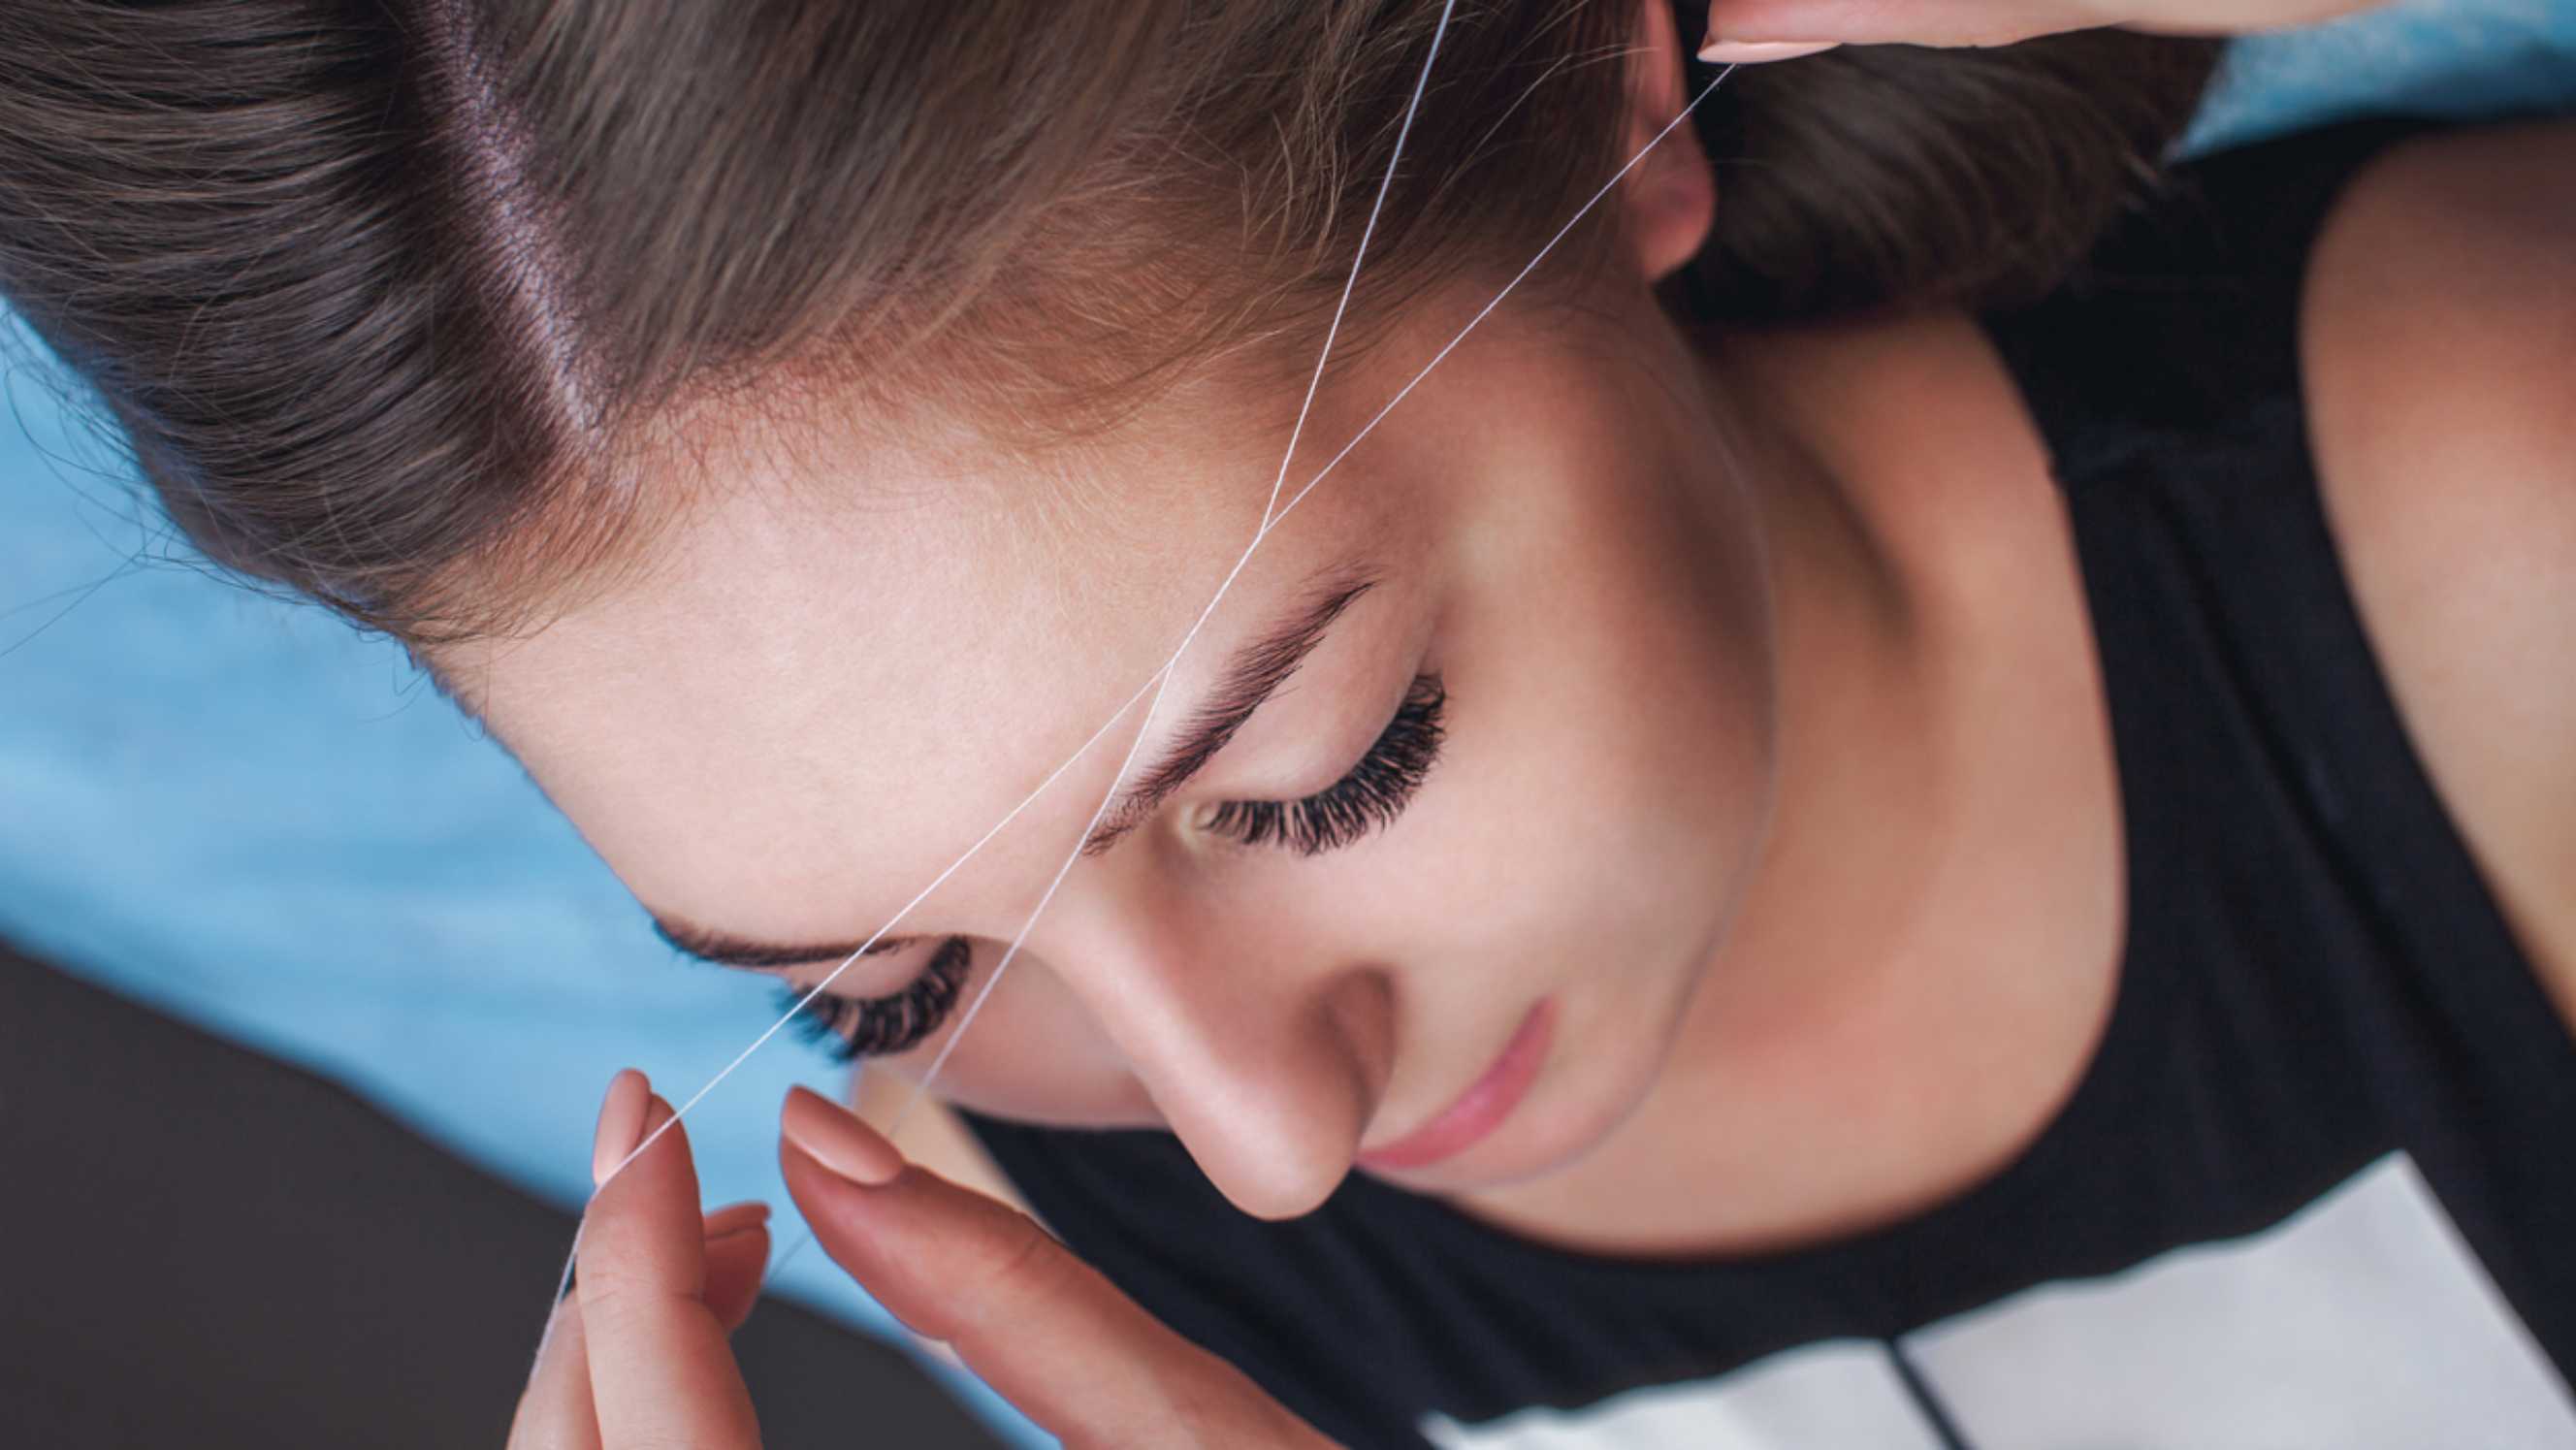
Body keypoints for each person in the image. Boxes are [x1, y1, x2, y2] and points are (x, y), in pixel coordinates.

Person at [3, 0, 2569, 1445]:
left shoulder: (2509, 542)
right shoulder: (1047, 1245)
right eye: (878, 980)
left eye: (1326, 762)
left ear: (1601, 97)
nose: (1264, 1141)